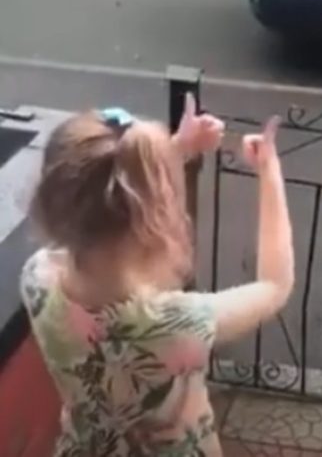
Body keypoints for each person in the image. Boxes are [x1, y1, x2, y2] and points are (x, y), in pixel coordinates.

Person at [20, 95, 294, 456]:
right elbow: (275, 284)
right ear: (153, 224)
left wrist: (173, 151)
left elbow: (105, 203)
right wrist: (268, 171)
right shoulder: (177, 324)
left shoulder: (38, 278)